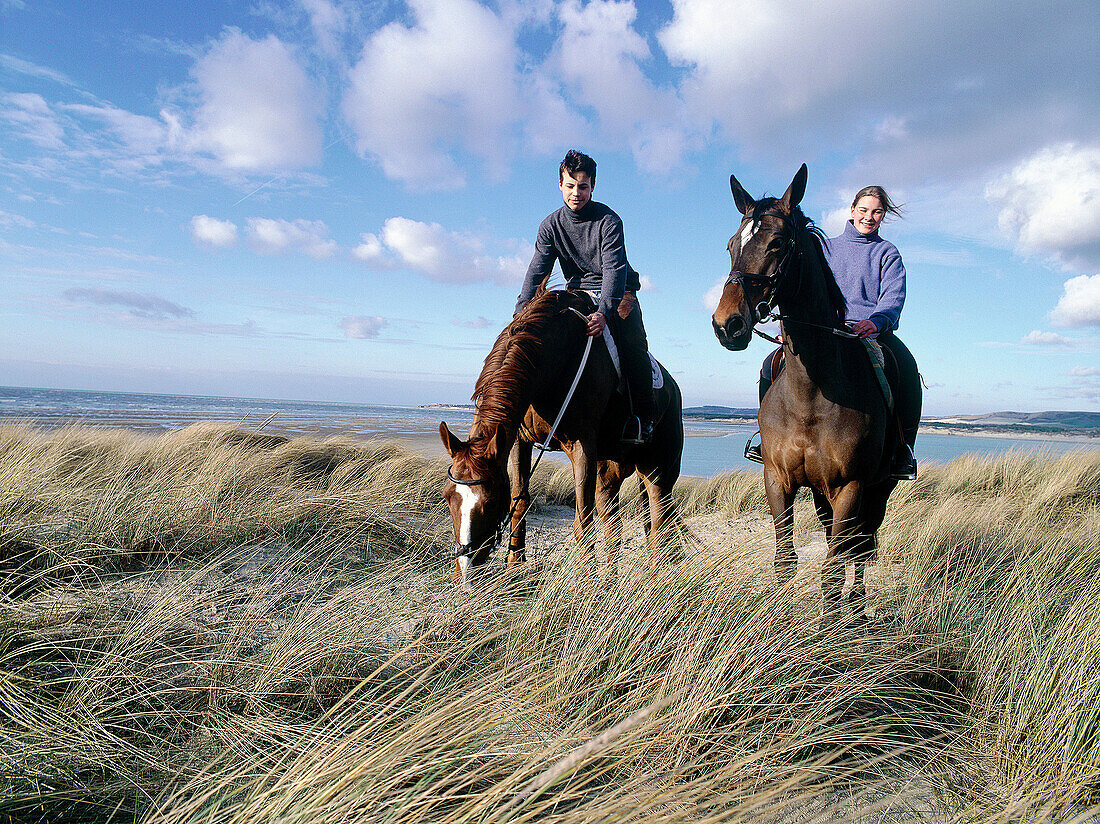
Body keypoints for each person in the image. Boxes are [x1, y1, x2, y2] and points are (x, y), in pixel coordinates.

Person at [752, 185, 921, 479]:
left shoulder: (887, 252)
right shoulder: (825, 248)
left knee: (905, 367)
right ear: (852, 210)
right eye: (864, 210)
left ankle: (901, 449)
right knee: (770, 366)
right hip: (823, 329)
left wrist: (877, 322)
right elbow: (799, 289)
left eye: (877, 212)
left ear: (882, 217)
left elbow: (894, 296)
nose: (869, 217)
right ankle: (765, 437)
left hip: (869, 332)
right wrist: (789, 330)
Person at [514, 149, 656, 443]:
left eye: (583, 186)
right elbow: (536, 270)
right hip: (576, 291)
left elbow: (614, 269)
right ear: (560, 185)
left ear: (592, 186)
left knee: (631, 338)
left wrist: (604, 311)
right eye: (570, 186)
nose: (576, 193)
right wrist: (520, 312)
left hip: (618, 291)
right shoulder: (550, 226)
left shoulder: (609, 221)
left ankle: (643, 417)